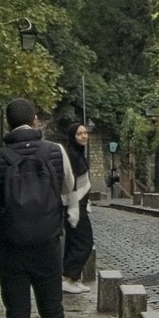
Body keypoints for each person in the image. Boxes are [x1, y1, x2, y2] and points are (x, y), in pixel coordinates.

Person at [0, 98, 72, 318]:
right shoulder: (56, 152)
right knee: (52, 310)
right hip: (48, 243)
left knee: (18, 315)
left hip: (11, 247)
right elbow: (67, 188)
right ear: (35, 120)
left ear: (8, 123)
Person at [59, 115, 96, 292]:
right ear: (72, 137)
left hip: (79, 205)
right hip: (74, 206)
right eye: (79, 134)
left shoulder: (77, 153)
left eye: (85, 133)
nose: (84, 136)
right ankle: (69, 278)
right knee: (85, 242)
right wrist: (74, 209)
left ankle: (72, 278)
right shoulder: (72, 155)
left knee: (74, 242)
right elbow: (71, 184)